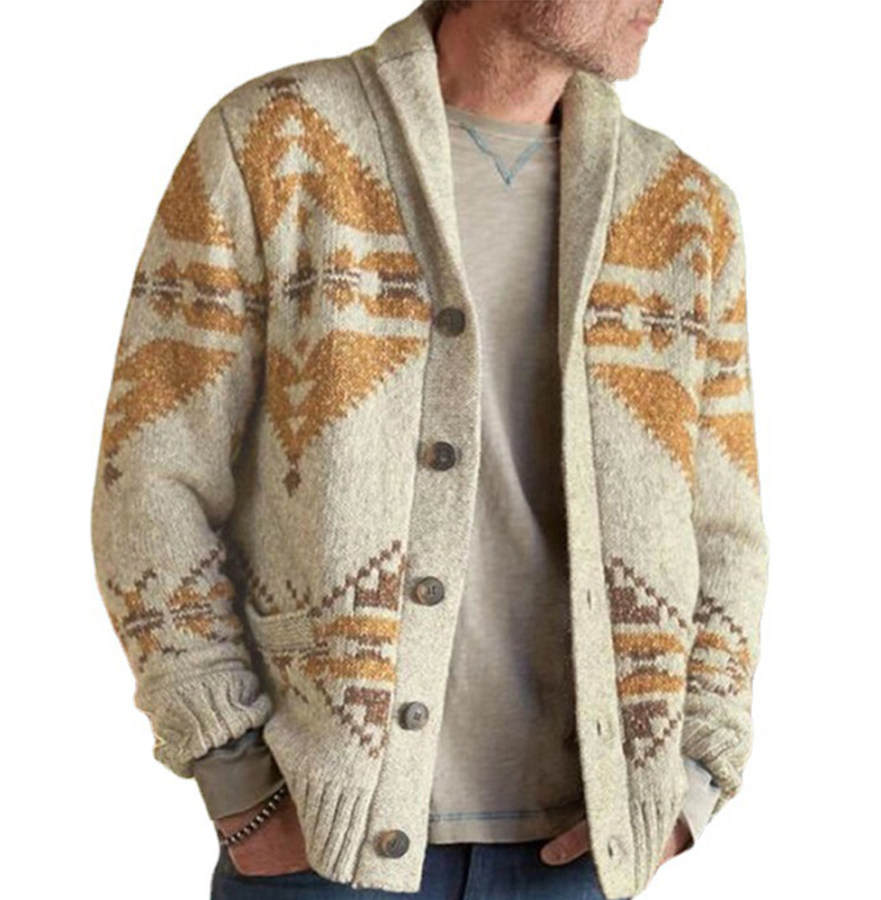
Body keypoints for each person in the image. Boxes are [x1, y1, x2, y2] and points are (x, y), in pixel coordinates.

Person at [90, 1, 769, 898]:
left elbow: (725, 527)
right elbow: (150, 476)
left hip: (581, 855)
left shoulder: (684, 209)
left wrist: (694, 778)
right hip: (322, 842)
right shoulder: (277, 143)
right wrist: (235, 777)